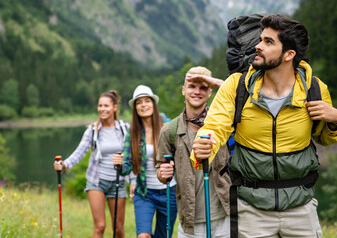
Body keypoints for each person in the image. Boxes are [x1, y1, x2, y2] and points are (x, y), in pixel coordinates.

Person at [191, 14, 337, 237]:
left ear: (289, 55)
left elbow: (327, 138)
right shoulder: (237, 86)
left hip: (301, 209)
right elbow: (215, 126)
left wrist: (336, 119)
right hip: (251, 211)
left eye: (268, 41)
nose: (258, 46)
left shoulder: (314, 88)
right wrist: (205, 144)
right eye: (261, 39)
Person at [156, 66, 231, 237]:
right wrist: (163, 173)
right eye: (192, 86)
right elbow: (160, 169)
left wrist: (221, 84)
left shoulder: (224, 125)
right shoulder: (170, 131)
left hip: (224, 218)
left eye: (203, 87)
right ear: (183, 90)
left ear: (210, 92)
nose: (197, 91)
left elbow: (240, 94)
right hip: (190, 223)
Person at [53, 90, 136, 238]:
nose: (102, 109)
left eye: (106, 106)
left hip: (119, 181)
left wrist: (134, 180)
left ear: (115, 107)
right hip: (97, 181)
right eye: (100, 106)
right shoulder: (93, 130)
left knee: (118, 228)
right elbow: (79, 152)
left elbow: (132, 156)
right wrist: (64, 165)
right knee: (100, 226)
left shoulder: (125, 128)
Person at [112, 85, 177, 238]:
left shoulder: (168, 126)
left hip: (169, 191)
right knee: (143, 236)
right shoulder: (132, 132)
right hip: (144, 192)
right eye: (139, 102)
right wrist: (120, 165)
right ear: (135, 108)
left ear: (153, 104)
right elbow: (127, 166)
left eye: (147, 101)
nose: (143, 105)